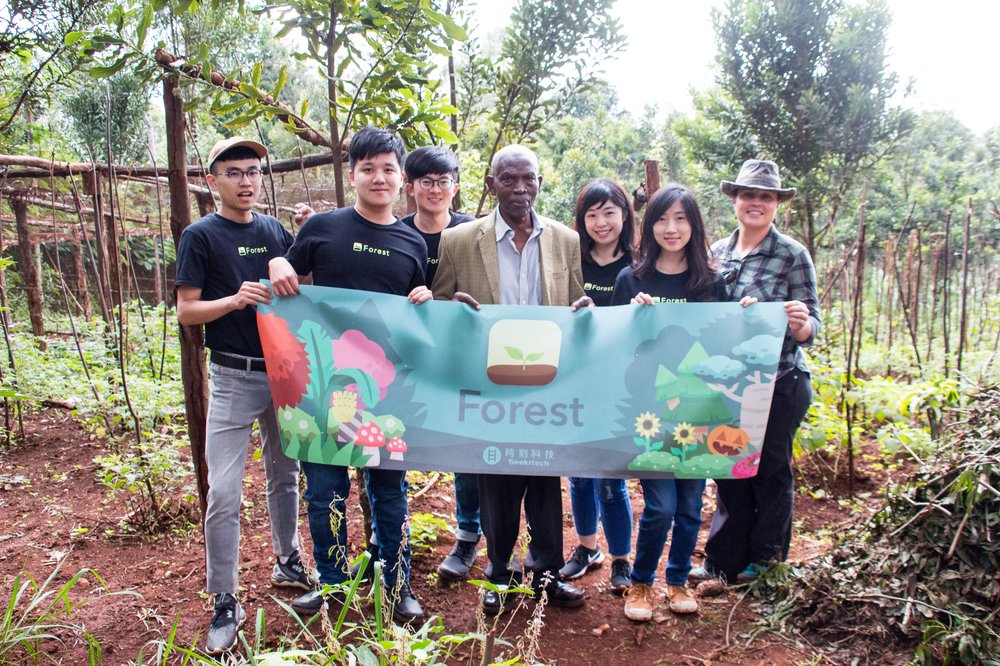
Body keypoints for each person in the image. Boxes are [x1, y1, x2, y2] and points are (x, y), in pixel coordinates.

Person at [269, 126, 432, 624]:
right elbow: (286, 275)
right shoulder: (321, 228)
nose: (378, 178)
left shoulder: (412, 243)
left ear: (401, 178)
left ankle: (398, 583)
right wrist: (278, 260)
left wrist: (424, 301)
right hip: (323, 388)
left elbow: (414, 320)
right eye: (368, 169)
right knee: (325, 490)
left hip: (387, 390)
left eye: (388, 169)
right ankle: (335, 584)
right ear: (352, 174)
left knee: (389, 491)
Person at [432, 144, 592, 615]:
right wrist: (454, 311)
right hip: (490, 386)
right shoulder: (458, 240)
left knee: (545, 482)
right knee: (496, 482)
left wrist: (585, 313)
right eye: (509, 179)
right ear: (490, 183)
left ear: (540, 182)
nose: (520, 189)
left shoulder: (565, 239)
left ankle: (545, 577)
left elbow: (579, 304)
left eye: (529, 179)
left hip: (548, 386)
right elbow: (440, 309)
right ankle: (498, 579)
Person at [175, 137, 312, 655]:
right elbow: (187, 311)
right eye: (234, 173)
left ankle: (288, 560)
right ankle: (224, 598)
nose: (247, 181)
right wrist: (233, 301)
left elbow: (301, 281)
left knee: (286, 475)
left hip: (283, 371)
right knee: (225, 492)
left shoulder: (273, 229)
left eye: (253, 171)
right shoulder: (200, 236)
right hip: (232, 376)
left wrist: (300, 243)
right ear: (213, 181)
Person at [691, 159, 820, 584]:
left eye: (765, 197)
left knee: (770, 471)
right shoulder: (716, 253)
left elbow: (811, 325)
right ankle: (722, 560)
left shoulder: (791, 255)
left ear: (777, 205)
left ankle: (764, 561)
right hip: (729, 385)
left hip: (780, 380)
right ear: (735, 200)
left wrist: (800, 325)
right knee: (728, 466)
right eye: (749, 195)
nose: (756, 203)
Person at [611, 184, 728, 621]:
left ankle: (677, 581)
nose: (671, 228)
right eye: (662, 219)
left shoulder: (712, 282)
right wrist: (634, 316)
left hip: (699, 413)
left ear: (694, 225)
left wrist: (747, 314)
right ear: (649, 225)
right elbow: (617, 347)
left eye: (681, 218)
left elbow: (724, 343)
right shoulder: (632, 279)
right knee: (659, 506)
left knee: (691, 506)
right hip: (649, 415)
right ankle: (640, 583)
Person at [399, 147, 482, 581]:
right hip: (404, 360)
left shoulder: (476, 232)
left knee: (466, 445)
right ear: (409, 187)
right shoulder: (391, 233)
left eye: (443, 180)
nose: (435, 190)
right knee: (393, 440)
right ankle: (388, 536)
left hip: (462, 360)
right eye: (425, 182)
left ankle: (468, 534)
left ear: (456, 185)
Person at [559, 179, 635, 593]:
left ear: (624, 215)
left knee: (611, 476)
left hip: (620, 386)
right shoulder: (573, 261)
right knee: (578, 474)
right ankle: (587, 549)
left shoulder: (641, 264)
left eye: (609, 212)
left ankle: (622, 557)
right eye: (592, 214)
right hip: (575, 381)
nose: (601, 222)